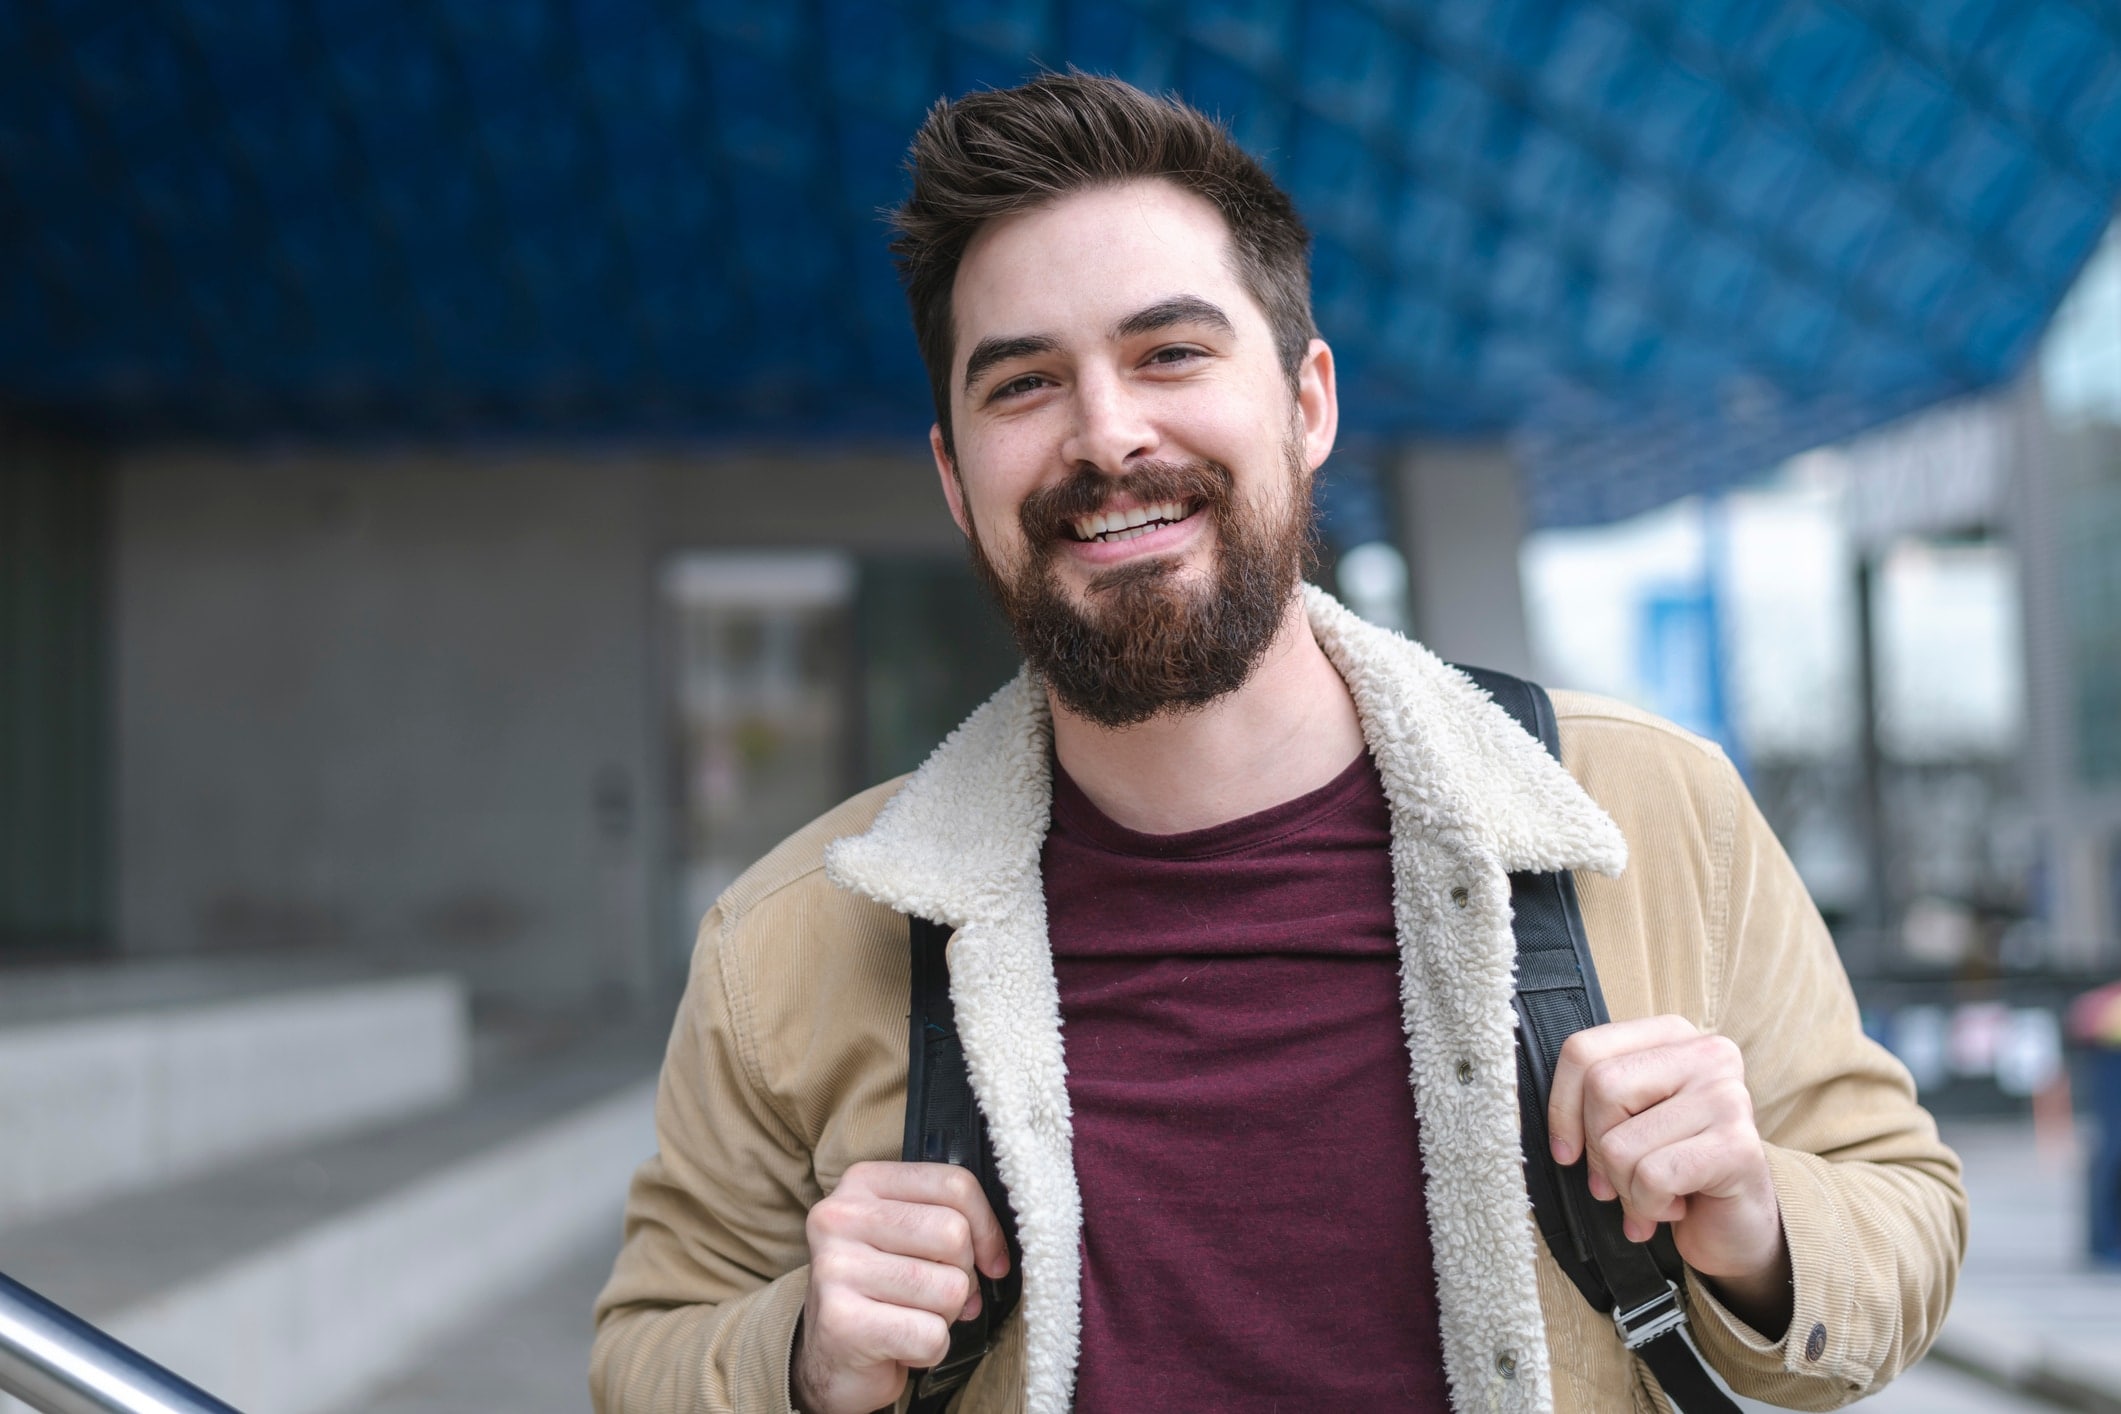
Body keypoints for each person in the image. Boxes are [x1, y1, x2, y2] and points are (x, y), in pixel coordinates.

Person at [591, 73, 1965, 1414]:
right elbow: (647, 1346)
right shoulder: (782, 945)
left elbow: (1903, 1207)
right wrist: (799, 1359)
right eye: (1022, 384)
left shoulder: (1648, 809)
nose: (1106, 434)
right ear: (956, 478)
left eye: (1170, 354)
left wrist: (1758, 1224)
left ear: (1307, 405)